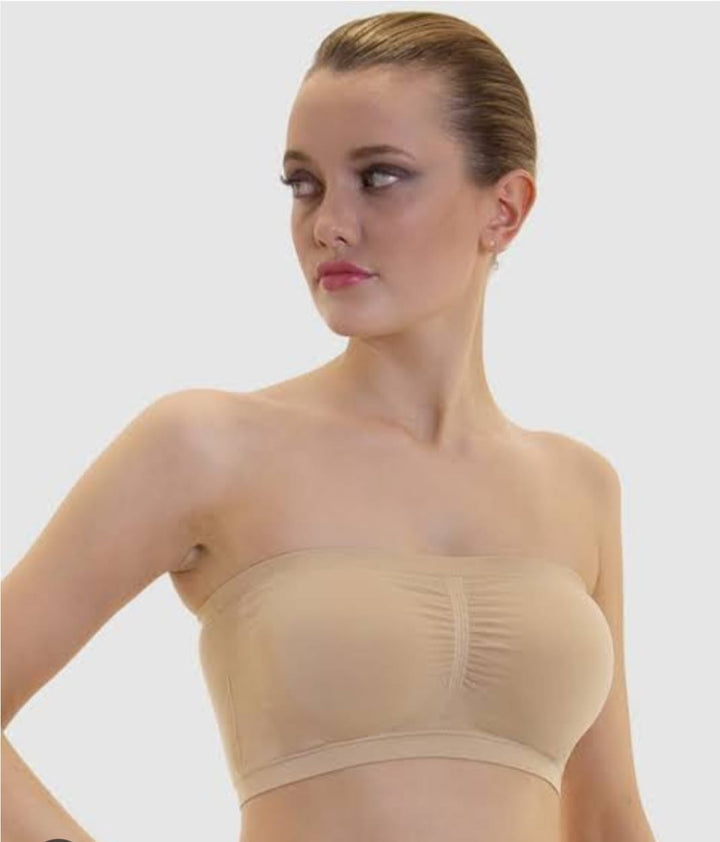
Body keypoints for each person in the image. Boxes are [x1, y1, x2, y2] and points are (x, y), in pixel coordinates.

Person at [1, 10, 657, 842]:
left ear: (505, 209)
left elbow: (605, 817)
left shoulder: (581, 486)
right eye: (304, 184)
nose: (328, 224)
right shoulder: (205, 446)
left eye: (379, 177)